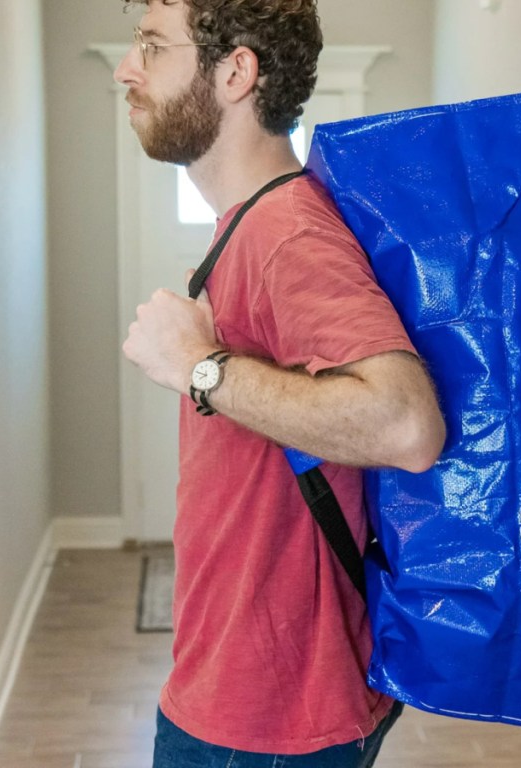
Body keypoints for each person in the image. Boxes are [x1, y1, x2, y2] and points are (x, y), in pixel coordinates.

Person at [113, 1, 446, 765]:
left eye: (154, 48)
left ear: (236, 72)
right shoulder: (252, 223)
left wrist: (200, 370)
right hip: (245, 692)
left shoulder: (286, 232)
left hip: (265, 717)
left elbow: (406, 426)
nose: (128, 69)